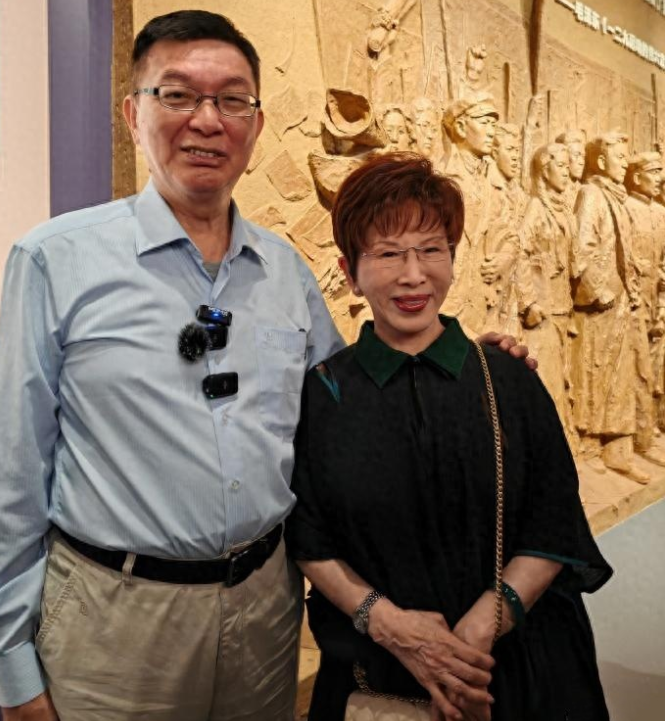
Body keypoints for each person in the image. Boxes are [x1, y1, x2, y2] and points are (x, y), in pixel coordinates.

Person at [0, 10, 533, 721]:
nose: (206, 120)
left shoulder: (284, 272)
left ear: (254, 124)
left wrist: (470, 367)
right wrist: (12, 669)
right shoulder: (55, 260)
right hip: (115, 623)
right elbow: (13, 469)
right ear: (133, 114)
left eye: (231, 99)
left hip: (264, 614)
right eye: (177, 94)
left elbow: (353, 411)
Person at [285, 153, 611, 721]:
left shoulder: (507, 377)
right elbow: (311, 538)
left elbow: (553, 517)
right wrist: (393, 626)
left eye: (431, 249)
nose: (413, 275)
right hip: (379, 672)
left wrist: (482, 625)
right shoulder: (326, 393)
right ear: (349, 271)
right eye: (388, 254)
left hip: (517, 668)